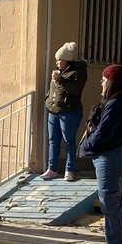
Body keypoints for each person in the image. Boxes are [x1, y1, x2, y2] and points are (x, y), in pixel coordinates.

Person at [80, 64, 122, 244]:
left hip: (110, 157)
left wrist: (86, 146)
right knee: (110, 203)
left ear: (111, 82)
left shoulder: (116, 104)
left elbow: (104, 132)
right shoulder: (114, 102)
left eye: (103, 80)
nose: (101, 83)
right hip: (110, 156)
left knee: (110, 204)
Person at [40, 41, 88, 182]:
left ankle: (69, 170)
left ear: (66, 60)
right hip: (54, 111)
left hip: (69, 112)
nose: (57, 62)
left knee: (69, 141)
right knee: (53, 141)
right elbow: (52, 90)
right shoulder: (58, 73)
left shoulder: (77, 72)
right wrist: (48, 101)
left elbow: (75, 90)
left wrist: (60, 80)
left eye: (59, 60)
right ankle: (52, 169)